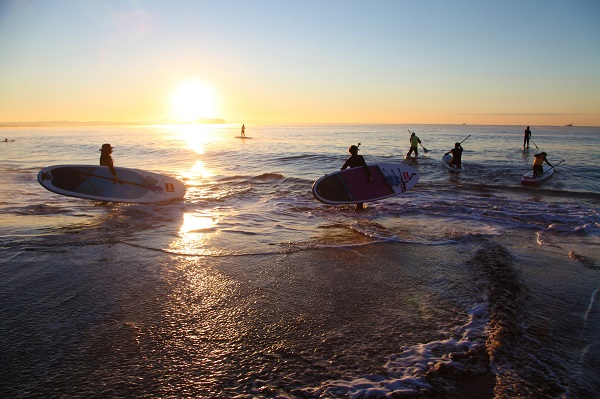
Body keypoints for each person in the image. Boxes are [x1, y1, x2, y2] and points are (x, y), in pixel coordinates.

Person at [341, 143, 373, 210]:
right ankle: (359, 207)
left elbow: (342, 169)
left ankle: (357, 207)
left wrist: (348, 176)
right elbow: (365, 167)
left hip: (354, 178)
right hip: (362, 177)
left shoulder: (349, 160)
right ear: (355, 151)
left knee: (357, 191)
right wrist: (370, 175)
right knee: (361, 191)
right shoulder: (360, 157)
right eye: (357, 150)